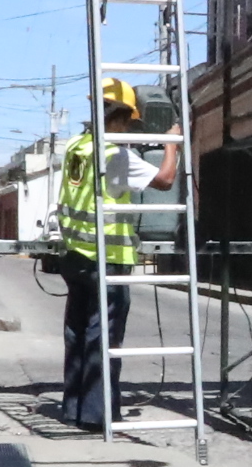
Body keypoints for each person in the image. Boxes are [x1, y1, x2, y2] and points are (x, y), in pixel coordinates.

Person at [56, 80, 174, 426]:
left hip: (74, 253)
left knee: (77, 333)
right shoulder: (115, 155)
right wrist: (171, 143)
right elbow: (165, 180)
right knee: (102, 337)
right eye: (128, 123)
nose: (129, 130)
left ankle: (73, 408)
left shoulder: (78, 146)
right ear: (118, 117)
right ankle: (97, 414)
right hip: (106, 257)